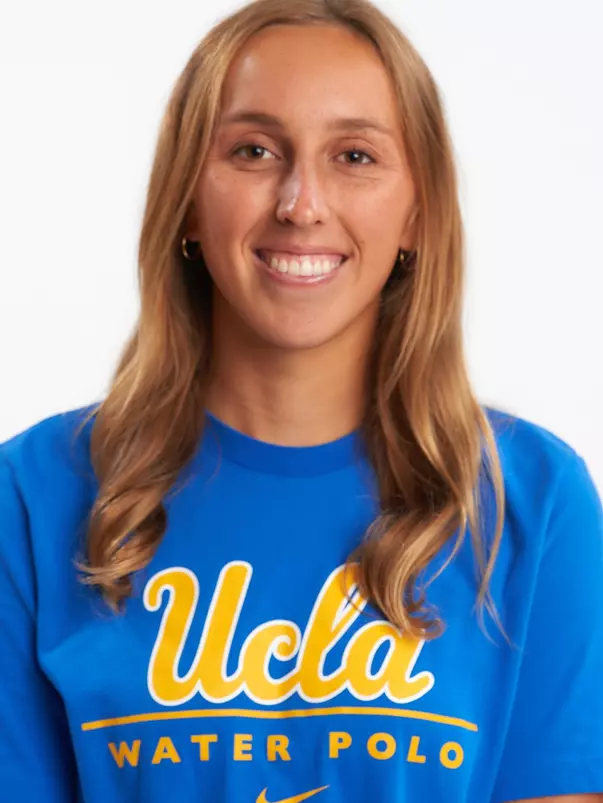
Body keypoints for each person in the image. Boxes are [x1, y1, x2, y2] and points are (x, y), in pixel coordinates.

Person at [1, 0, 602, 801]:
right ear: (185, 195)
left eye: (354, 156)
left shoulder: (532, 498)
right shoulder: (35, 495)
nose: (300, 202)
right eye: (253, 150)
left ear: (416, 211)